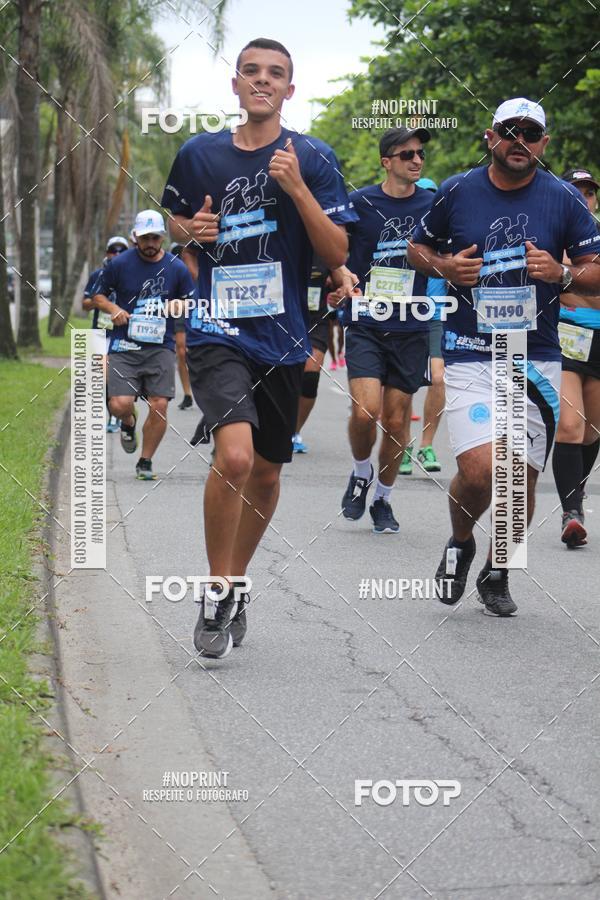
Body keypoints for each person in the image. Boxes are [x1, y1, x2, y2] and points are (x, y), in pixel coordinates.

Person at [162, 37, 356, 658]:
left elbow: (336, 255)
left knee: (268, 472)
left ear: (289, 90)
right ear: (237, 85)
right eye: (252, 72)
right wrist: (189, 229)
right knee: (237, 457)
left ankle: (237, 581)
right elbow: (175, 219)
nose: (263, 82)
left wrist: (298, 189)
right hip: (219, 328)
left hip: (283, 336)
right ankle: (216, 588)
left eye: (276, 74)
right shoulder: (199, 154)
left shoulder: (314, 159)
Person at [408, 97, 600, 616]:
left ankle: (500, 569)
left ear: (544, 143)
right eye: (510, 132)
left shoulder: (563, 199)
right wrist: (446, 266)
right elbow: (416, 250)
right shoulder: (456, 190)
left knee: (522, 478)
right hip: (471, 349)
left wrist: (560, 274)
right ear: (490, 136)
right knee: (478, 469)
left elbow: (595, 271)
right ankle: (462, 541)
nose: (520, 143)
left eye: (531, 134)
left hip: (534, 354)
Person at [336, 126, 435, 533]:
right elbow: (334, 248)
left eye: (420, 154)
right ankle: (361, 472)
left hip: (412, 325)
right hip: (367, 321)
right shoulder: (359, 203)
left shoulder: (435, 203)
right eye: (407, 154)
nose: (416, 160)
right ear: (386, 162)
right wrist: (340, 271)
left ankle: (382, 499)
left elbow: (450, 250)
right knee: (365, 411)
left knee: (396, 423)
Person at [93, 210, 195, 480]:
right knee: (119, 404)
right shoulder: (119, 264)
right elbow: (98, 296)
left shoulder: (176, 268)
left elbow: (192, 300)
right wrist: (113, 307)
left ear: (162, 237)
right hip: (124, 344)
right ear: (135, 237)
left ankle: (145, 461)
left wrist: (179, 305)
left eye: (155, 237)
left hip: (160, 346)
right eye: (145, 237)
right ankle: (128, 421)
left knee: (160, 404)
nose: (150, 243)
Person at [552, 167, 600, 547]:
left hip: (598, 339)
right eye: (576, 190)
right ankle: (571, 512)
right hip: (564, 336)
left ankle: (577, 495)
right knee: (571, 425)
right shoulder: (552, 235)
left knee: (593, 431)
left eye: (589, 191)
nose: (583, 197)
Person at [399, 177, 446, 474]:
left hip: (438, 315)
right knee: (403, 386)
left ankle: (427, 445)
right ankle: (402, 445)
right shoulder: (404, 241)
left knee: (439, 379)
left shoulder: (448, 236)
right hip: (403, 314)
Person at [82, 235, 129, 431]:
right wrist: (100, 301)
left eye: (121, 252)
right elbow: (85, 305)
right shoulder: (97, 276)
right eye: (113, 251)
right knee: (101, 375)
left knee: (115, 375)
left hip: (123, 334)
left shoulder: (132, 275)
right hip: (100, 332)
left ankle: (116, 416)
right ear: (107, 253)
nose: (116, 255)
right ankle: (108, 414)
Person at [292, 255, 331, 453]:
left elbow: (342, 279)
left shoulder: (323, 247)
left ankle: (294, 432)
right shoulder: (286, 243)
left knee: (310, 376)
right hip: (286, 320)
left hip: (315, 321)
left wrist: (338, 291)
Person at [169, 242, 195, 411]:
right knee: (181, 350)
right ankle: (187, 394)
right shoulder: (173, 252)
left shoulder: (198, 248)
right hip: (180, 308)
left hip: (200, 305)